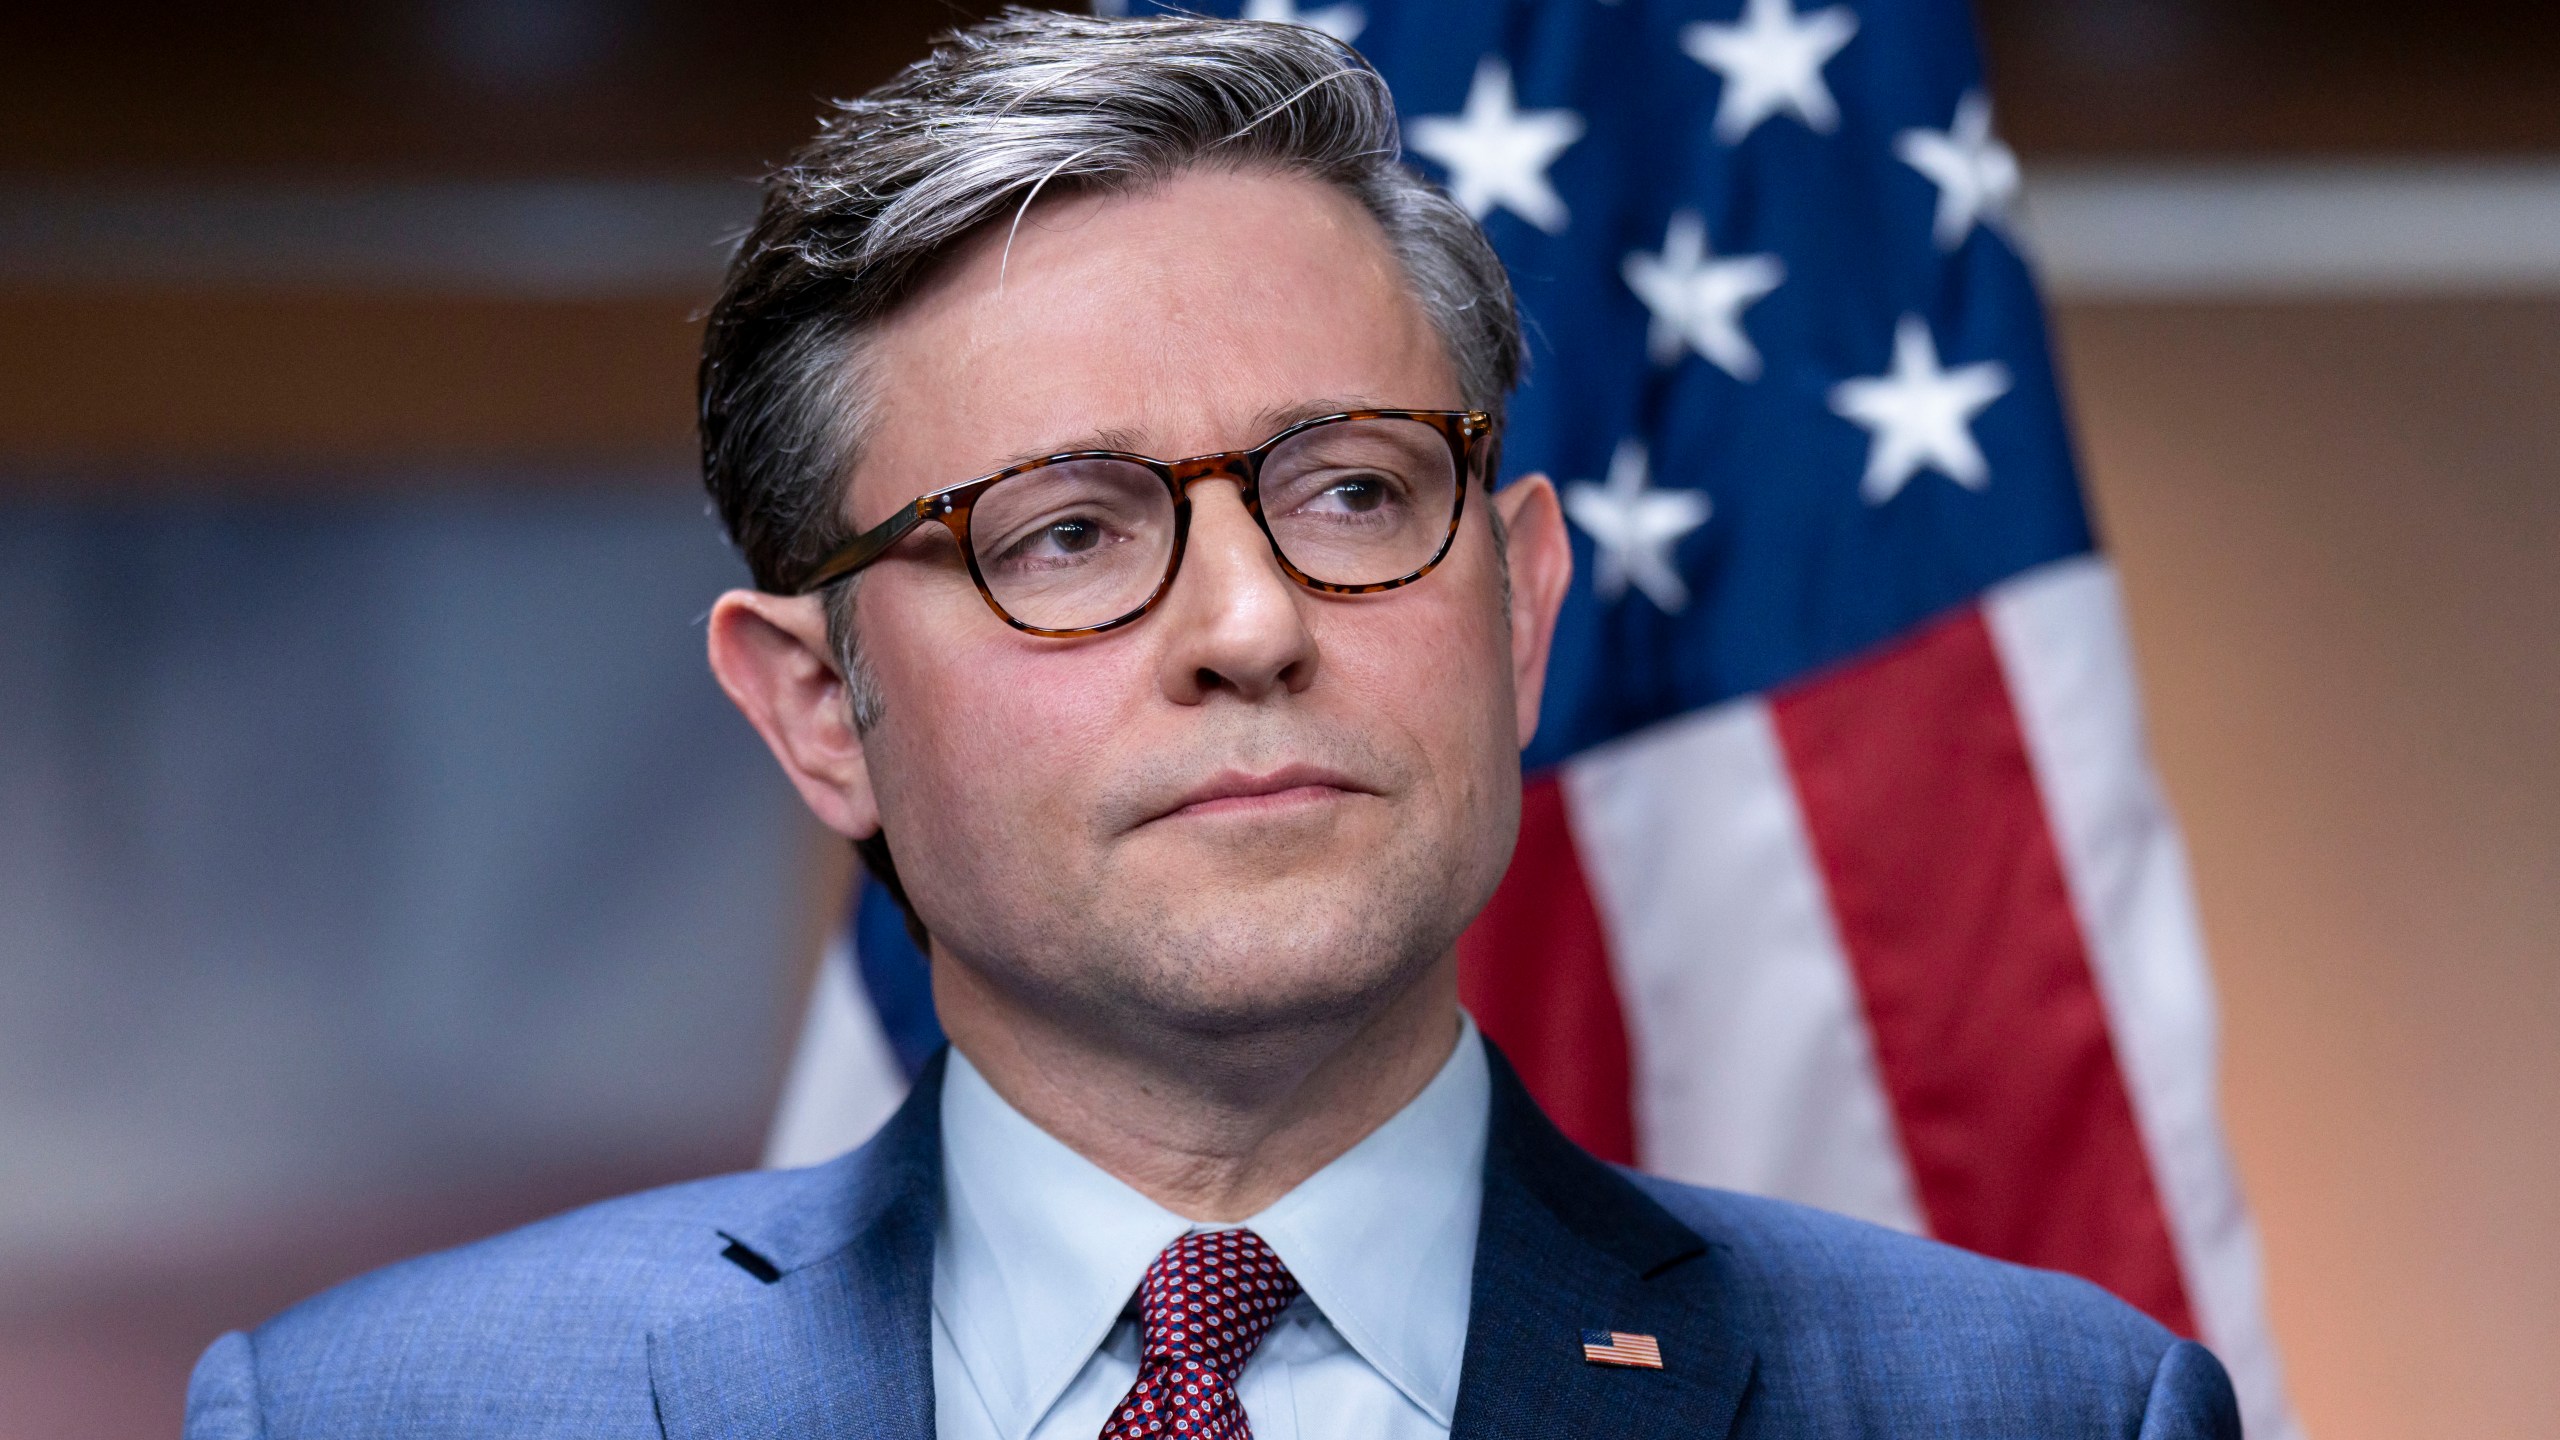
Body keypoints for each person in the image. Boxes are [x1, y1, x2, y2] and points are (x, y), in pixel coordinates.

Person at [184, 12, 2239, 1439]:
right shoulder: (381, 1415)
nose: (1249, 625)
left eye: (1351, 491)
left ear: (1517, 606)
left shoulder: (2040, 1409)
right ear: (821, 711)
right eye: (1065, 534)